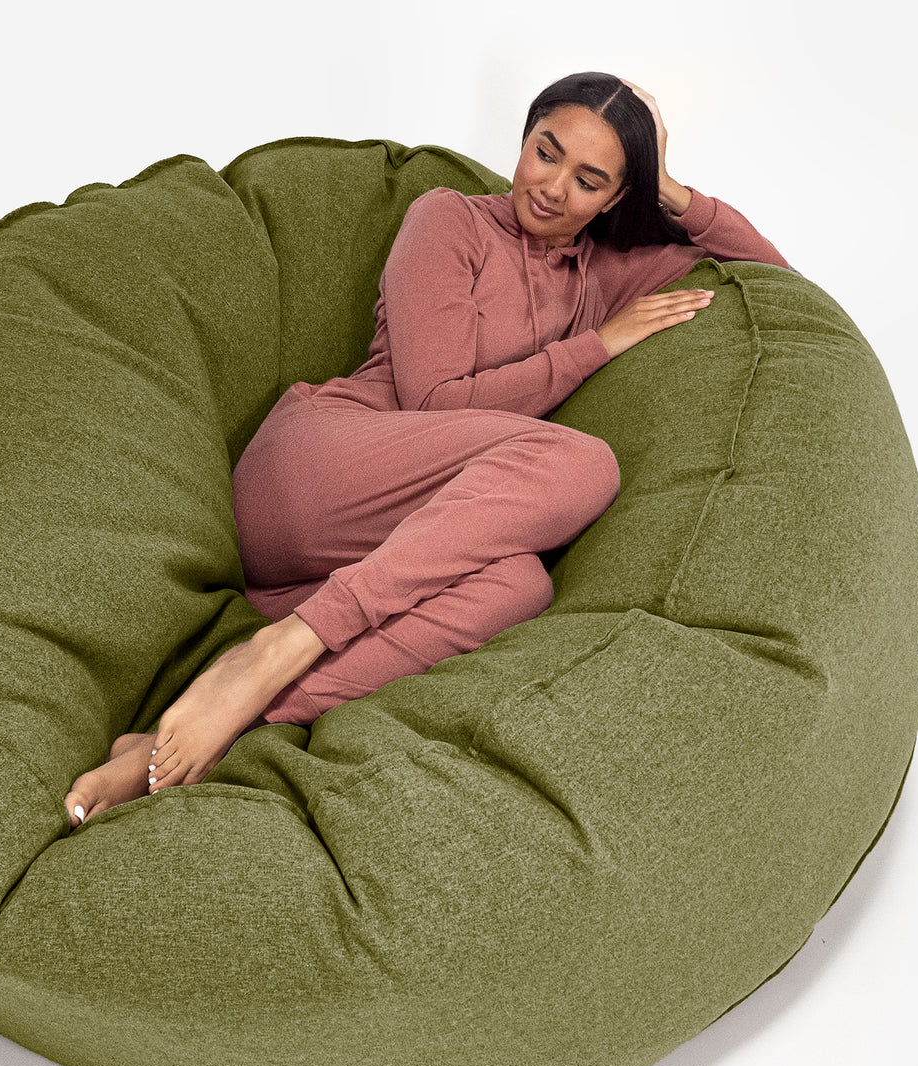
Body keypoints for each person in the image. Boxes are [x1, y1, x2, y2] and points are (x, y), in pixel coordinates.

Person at [64, 71, 789, 825]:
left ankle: (217, 724)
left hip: (374, 549)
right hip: (316, 468)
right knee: (582, 463)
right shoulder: (448, 219)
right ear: (525, 138)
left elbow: (775, 277)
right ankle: (280, 647)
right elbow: (436, 399)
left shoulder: (607, 272)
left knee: (520, 588)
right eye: (546, 152)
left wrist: (666, 186)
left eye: (589, 180)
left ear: (614, 198)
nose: (552, 187)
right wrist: (595, 347)